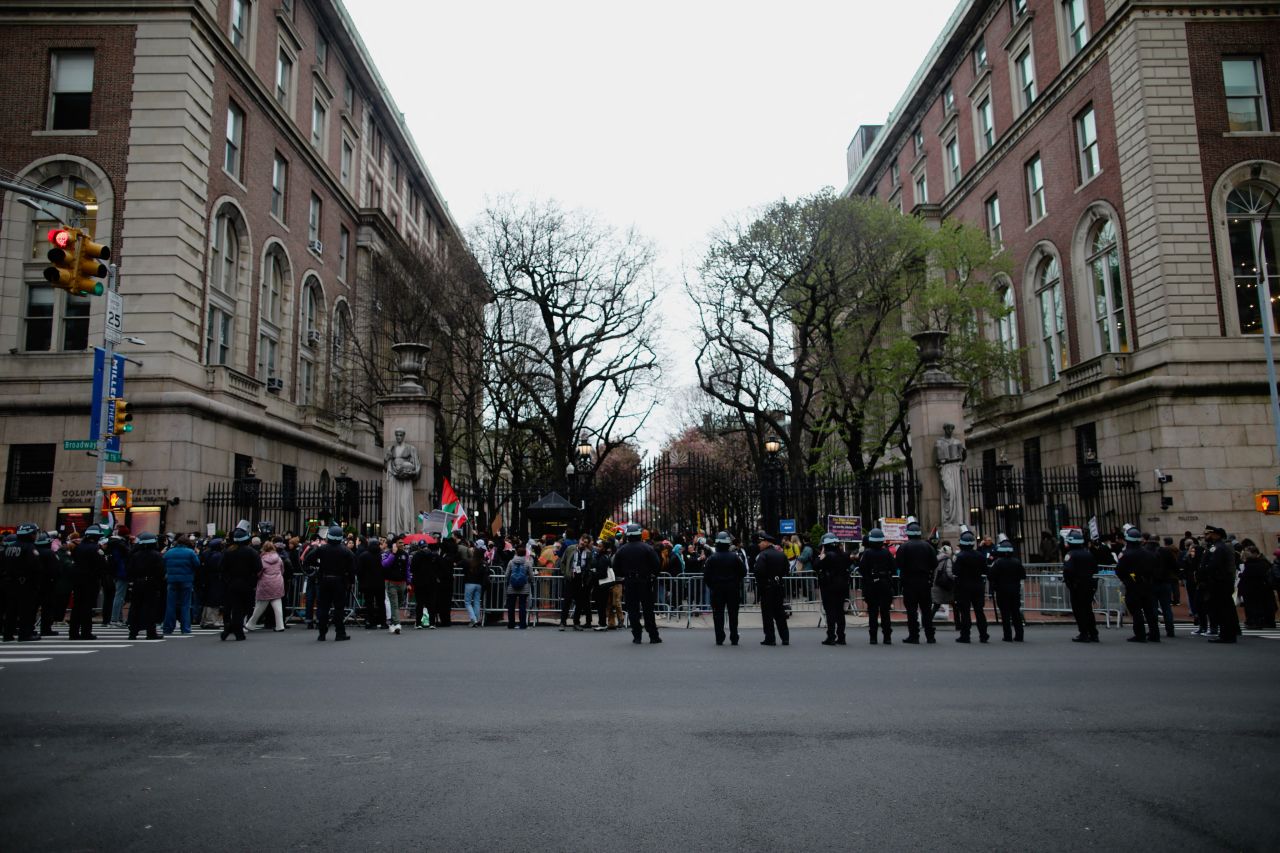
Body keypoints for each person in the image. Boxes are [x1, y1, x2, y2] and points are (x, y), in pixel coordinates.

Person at [616, 523, 662, 645]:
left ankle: (637, 636)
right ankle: (653, 636)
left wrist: (625, 574)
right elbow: (657, 565)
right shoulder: (647, 548)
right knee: (648, 610)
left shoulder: (622, 550)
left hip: (630, 582)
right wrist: (652, 574)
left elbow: (615, 567)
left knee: (632, 610)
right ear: (639, 535)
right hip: (645, 581)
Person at [1115, 527, 1159, 643]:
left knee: (1136, 611)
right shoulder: (1148, 553)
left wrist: (1126, 580)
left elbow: (1119, 570)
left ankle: (1140, 634)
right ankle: (1155, 634)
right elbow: (1155, 568)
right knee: (1150, 611)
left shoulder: (1126, 554)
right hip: (1147, 584)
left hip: (1133, 585)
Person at [895, 521, 936, 644]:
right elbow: (934, 564)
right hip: (924, 581)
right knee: (926, 610)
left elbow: (898, 564)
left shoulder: (904, 547)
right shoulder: (928, 546)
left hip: (909, 582)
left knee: (911, 611)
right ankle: (930, 636)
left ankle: (914, 635)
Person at [2, 523, 43, 643]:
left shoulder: (10, 547)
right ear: (30, 535)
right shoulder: (29, 547)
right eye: (34, 533)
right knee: (26, 610)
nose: (36, 536)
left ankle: (7, 634)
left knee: (11, 610)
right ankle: (25, 634)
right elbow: (35, 567)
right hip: (25, 583)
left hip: (9, 582)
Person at [704, 531, 746, 646]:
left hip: (717, 590)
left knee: (718, 615)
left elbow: (706, 576)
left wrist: (713, 586)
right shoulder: (734, 557)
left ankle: (719, 637)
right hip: (733, 589)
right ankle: (734, 636)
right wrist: (736, 581)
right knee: (733, 615)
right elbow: (743, 572)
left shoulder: (712, 558)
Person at [313, 526, 355, 641]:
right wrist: (351, 582)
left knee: (323, 608)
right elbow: (352, 570)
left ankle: (322, 633)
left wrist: (316, 570)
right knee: (339, 609)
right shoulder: (346, 551)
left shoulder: (322, 549)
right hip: (339, 581)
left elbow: (307, 560)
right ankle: (339, 632)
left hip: (325, 580)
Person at [1203, 525, 1241, 644]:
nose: (1208, 536)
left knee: (1223, 610)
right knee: (1225, 609)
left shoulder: (1220, 548)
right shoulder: (1219, 547)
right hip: (1222, 582)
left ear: (1216, 535)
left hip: (1220, 583)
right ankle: (1227, 634)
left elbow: (1214, 565)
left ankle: (1227, 635)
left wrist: (1206, 571)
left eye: (1210, 534)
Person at [219, 529, 259, 641]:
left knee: (237, 608)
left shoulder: (228, 551)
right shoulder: (251, 552)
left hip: (232, 583)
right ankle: (237, 631)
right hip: (247, 583)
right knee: (245, 608)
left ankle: (232, 627)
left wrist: (228, 580)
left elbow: (222, 568)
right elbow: (258, 567)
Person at [125, 532, 165, 640]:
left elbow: (129, 570)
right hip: (151, 583)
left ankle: (133, 632)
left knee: (135, 607)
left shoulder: (135, 555)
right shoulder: (157, 555)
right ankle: (151, 632)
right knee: (151, 608)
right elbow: (161, 571)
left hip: (138, 583)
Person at [952, 531, 989, 644]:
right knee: (979, 611)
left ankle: (965, 635)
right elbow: (985, 570)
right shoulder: (980, 555)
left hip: (963, 586)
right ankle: (983, 635)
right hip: (977, 585)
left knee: (965, 612)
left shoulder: (960, 556)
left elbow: (955, 572)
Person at [1062, 529, 1099, 643]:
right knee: (1088, 609)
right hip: (1089, 584)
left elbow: (1068, 570)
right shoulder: (1088, 553)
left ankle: (1084, 633)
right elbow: (1095, 568)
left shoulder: (1070, 555)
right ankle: (1093, 633)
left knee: (1079, 610)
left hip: (1077, 586)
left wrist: (1069, 582)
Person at [754, 531, 790, 646]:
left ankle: (770, 638)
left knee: (767, 614)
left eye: (760, 542)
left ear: (766, 542)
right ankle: (785, 638)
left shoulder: (763, 555)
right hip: (779, 587)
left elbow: (758, 571)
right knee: (780, 613)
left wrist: (762, 583)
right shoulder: (781, 554)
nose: (759, 544)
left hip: (767, 588)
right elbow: (787, 570)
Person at [860, 528, 895, 645]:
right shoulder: (886, 552)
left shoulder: (867, 553)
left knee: (873, 612)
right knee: (885, 612)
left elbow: (862, 569)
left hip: (871, 584)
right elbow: (893, 568)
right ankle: (887, 637)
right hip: (885, 584)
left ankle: (873, 637)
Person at [988, 539, 1027, 642]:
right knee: (1016, 613)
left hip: (1002, 591)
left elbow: (990, 576)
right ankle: (1019, 635)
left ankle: (1007, 635)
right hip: (1014, 590)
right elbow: (1023, 575)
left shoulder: (998, 563)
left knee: (1005, 614)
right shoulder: (1017, 562)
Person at [160, 533, 199, 636]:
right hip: (186, 580)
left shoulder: (169, 552)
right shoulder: (190, 552)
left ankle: (168, 627)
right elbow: (197, 564)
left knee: (170, 605)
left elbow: (163, 564)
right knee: (185, 605)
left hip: (172, 580)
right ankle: (185, 628)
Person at [816, 533, 851, 646]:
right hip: (842, 587)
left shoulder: (827, 556)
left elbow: (816, 565)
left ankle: (831, 636)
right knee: (840, 612)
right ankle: (841, 636)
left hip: (829, 586)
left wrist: (821, 556)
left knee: (830, 612)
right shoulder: (844, 555)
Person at [247, 540, 287, 632]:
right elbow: (282, 570)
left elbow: (259, 572)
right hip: (277, 582)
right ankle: (280, 625)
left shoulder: (262, 559)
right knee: (277, 604)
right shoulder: (279, 558)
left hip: (265, 583)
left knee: (260, 605)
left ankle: (251, 624)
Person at [558, 534, 595, 631]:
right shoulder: (570, 549)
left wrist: (587, 578)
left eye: (586, 542)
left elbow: (590, 566)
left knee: (579, 603)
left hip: (581, 579)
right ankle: (563, 622)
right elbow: (563, 561)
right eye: (582, 540)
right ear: (579, 540)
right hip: (571, 578)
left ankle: (576, 622)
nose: (583, 543)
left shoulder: (588, 553)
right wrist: (565, 573)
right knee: (567, 601)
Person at [1239, 545, 1277, 629]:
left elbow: (1250, 575)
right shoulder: (1261, 562)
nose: (1245, 555)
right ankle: (1264, 622)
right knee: (1262, 606)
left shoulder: (1257, 563)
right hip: (1261, 588)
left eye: (1247, 553)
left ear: (1255, 553)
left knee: (1256, 606)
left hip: (1257, 588)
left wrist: (1242, 575)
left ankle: (1256, 623)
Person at [1153, 536, 1180, 638]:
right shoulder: (1166, 552)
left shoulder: (1148, 552)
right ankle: (1170, 630)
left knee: (1153, 608)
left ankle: (1154, 630)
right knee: (1166, 608)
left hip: (1153, 582)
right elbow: (1175, 565)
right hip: (1165, 581)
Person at [357, 537, 387, 630]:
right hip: (380, 583)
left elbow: (359, 571)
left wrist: (361, 582)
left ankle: (370, 622)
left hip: (367, 584)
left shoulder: (363, 555)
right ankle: (383, 622)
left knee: (369, 603)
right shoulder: (382, 555)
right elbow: (386, 569)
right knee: (381, 603)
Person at [383, 537, 409, 634]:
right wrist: (393, 554)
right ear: (395, 544)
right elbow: (385, 564)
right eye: (400, 543)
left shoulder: (405, 554)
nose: (402, 544)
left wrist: (408, 582)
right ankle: (397, 624)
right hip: (391, 583)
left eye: (403, 542)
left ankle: (392, 623)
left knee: (399, 603)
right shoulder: (387, 553)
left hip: (402, 583)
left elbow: (407, 569)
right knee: (394, 603)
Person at [504, 545, 533, 629]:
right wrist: (528, 581)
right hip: (524, 587)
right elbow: (531, 576)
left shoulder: (511, 562)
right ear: (525, 554)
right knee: (522, 606)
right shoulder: (527, 563)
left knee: (511, 606)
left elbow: (506, 575)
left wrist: (509, 581)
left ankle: (511, 624)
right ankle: (522, 624)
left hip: (511, 587)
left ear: (516, 553)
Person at [463, 549, 488, 627]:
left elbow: (464, 570)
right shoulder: (483, 563)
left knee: (467, 602)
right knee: (477, 602)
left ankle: (474, 619)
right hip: (479, 584)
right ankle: (477, 619)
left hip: (469, 583)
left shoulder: (468, 561)